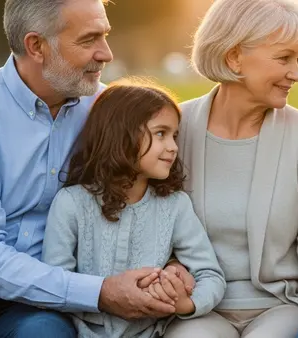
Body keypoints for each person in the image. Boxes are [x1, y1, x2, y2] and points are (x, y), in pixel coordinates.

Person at [0, 1, 193, 337]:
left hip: (51, 309)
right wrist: (100, 293)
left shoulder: (110, 114)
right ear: (36, 46)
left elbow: (149, 197)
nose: (107, 54)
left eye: (106, 36)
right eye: (89, 40)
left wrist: (170, 264)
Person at [165, 0, 298, 337]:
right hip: (197, 305)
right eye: (284, 58)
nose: (297, 73)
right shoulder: (174, 129)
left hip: (283, 304)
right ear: (234, 57)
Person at [41, 80, 226, 338]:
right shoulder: (71, 203)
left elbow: (210, 275)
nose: (173, 147)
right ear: (122, 135)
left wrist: (186, 304)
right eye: (161, 133)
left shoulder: (175, 205)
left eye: (175, 136)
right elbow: (56, 281)